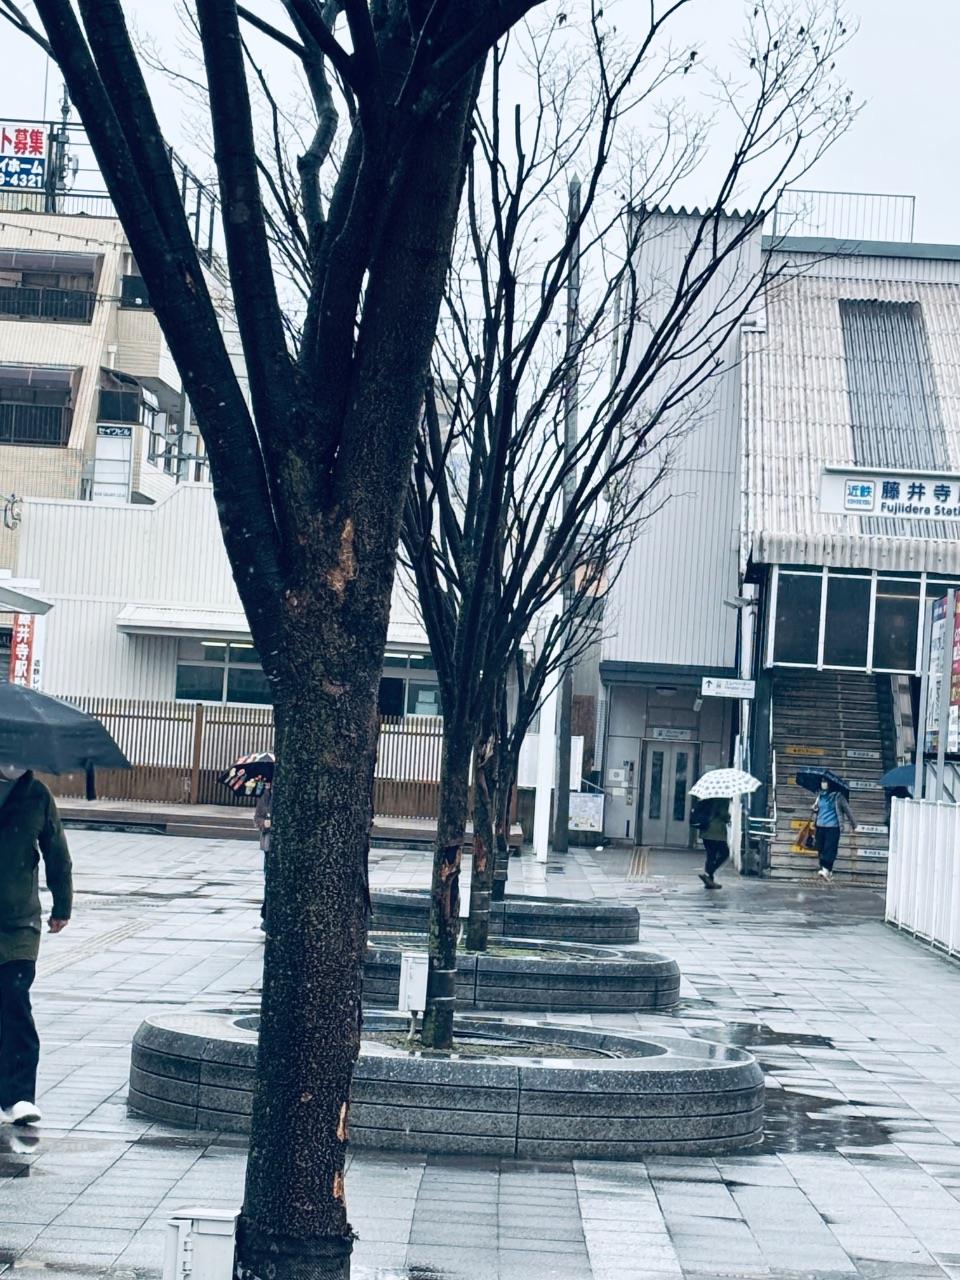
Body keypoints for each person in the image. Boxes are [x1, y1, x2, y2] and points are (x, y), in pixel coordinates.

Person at [0, 764, 72, 1127]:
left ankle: (19, 1096)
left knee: (14, 1004)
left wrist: (63, 906)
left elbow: (56, 852)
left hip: (18, 924)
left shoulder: (37, 795)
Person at [812, 779, 856, 881]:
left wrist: (854, 824)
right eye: (822, 781)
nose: (823, 784)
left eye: (825, 781)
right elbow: (817, 809)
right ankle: (828, 871)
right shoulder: (819, 795)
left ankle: (826, 869)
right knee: (820, 848)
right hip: (820, 825)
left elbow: (847, 810)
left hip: (833, 827)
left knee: (829, 849)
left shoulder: (838, 797)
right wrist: (814, 808)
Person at [692, 796, 731, 889]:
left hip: (706, 831)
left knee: (711, 855)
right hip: (716, 832)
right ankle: (708, 873)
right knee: (725, 853)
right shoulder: (722, 799)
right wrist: (728, 816)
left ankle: (709, 880)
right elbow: (724, 815)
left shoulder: (708, 798)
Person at [254, 783, 272, 932]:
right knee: (269, 881)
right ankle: (267, 916)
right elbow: (258, 817)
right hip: (269, 845)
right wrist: (264, 823)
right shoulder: (266, 794)